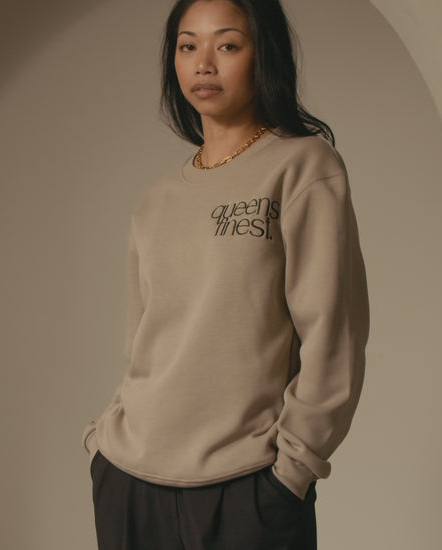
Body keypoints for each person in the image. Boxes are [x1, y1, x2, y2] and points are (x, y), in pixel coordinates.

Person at [82, 0, 369, 548]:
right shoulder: (157, 200)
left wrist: (292, 471)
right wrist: (102, 445)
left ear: (263, 55)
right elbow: (142, 343)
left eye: (228, 45)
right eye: (188, 46)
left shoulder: (303, 166)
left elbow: (334, 335)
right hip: (129, 481)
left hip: (247, 489)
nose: (203, 63)